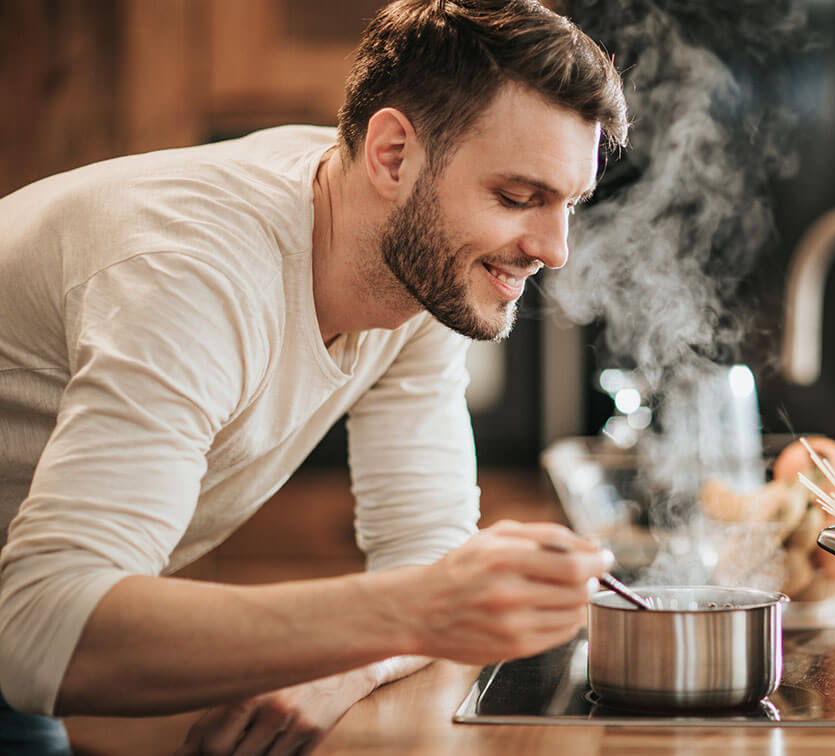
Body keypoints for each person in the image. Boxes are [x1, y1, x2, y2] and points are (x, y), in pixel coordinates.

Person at [0, 0, 628, 753]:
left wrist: (337, 669)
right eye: (519, 197)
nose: (555, 250)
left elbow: (424, 546)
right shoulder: (192, 272)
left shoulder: (416, 266)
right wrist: (417, 609)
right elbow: (44, 633)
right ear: (392, 155)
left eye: (569, 204)